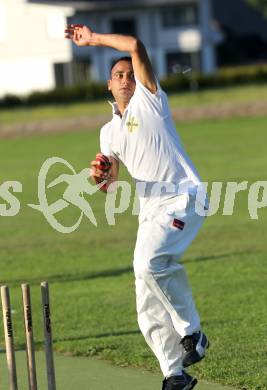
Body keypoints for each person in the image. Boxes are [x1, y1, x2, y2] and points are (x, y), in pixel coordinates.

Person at [65, 24, 209, 390]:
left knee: (150, 264)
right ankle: (174, 374)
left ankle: (193, 332)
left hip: (182, 196)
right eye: (118, 75)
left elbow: (134, 44)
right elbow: (110, 184)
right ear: (109, 87)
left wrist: (93, 39)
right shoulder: (107, 132)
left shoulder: (150, 98)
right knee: (144, 290)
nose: (126, 78)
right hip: (150, 209)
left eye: (129, 73)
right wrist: (99, 177)